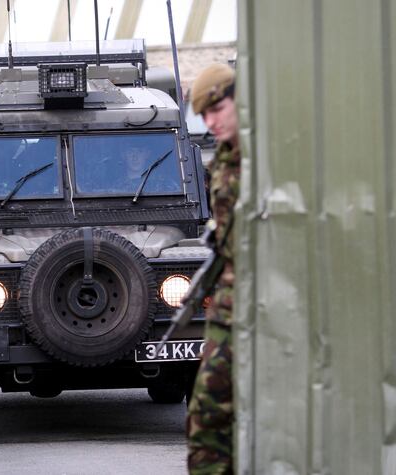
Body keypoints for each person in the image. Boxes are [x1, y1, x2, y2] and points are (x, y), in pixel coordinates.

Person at [186, 63, 239, 474]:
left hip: (267, 302)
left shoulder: (270, 154)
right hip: (230, 302)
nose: (210, 121)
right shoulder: (222, 156)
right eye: (203, 115)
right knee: (206, 411)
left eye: (216, 109)